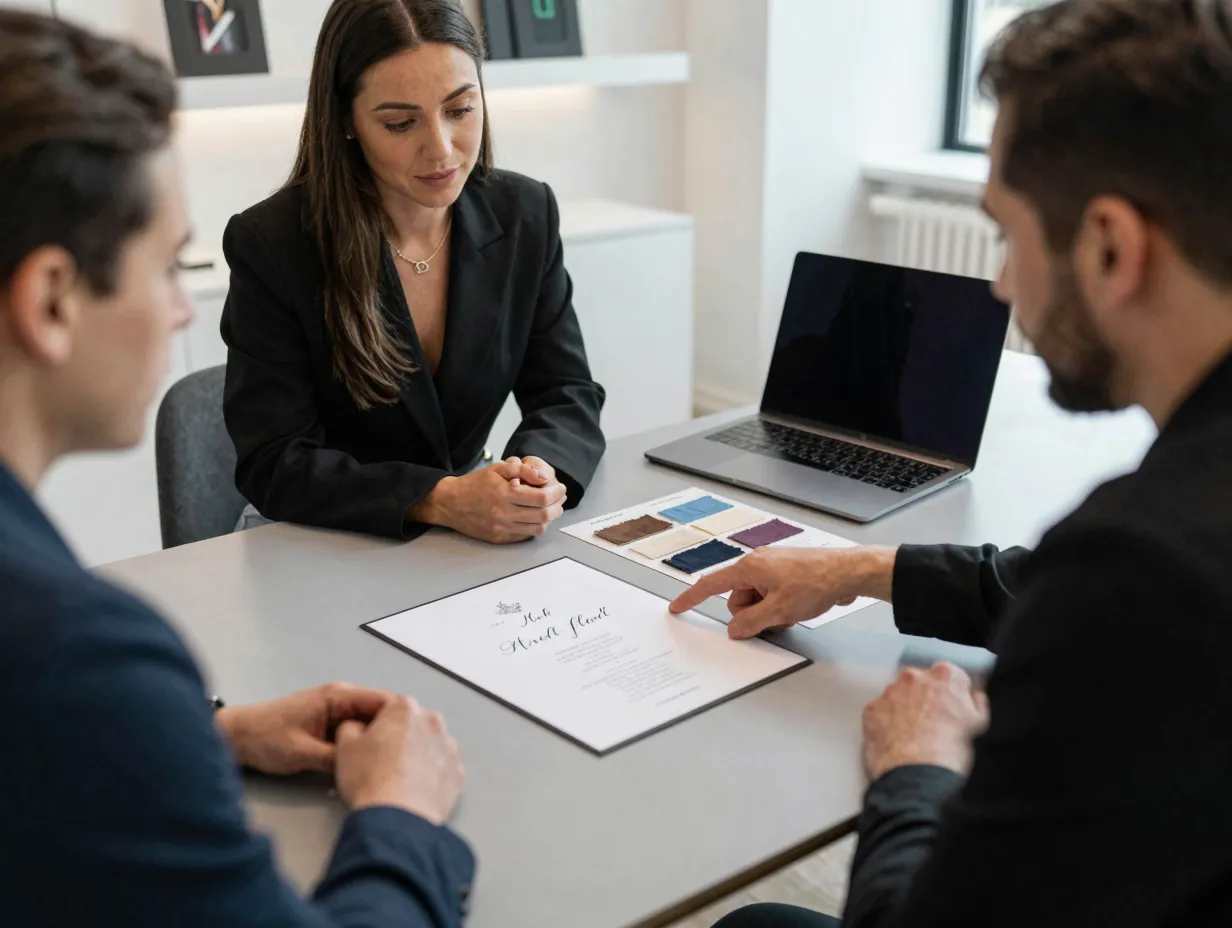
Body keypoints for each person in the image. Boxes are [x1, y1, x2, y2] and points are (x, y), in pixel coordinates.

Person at [677, 1, 1232, 925]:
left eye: (1007, 234)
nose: (1003, 283)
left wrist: (916, 767)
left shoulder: (1139, 569)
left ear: (1109, 245)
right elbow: (1049, 585)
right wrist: (854, 569)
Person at [0, 10, 474, 926]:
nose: (184, 312)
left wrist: (202, 735)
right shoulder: (80, 657)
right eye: (168, 266)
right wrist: (401, 816)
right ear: (52, 300)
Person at [221, 0, 606, 543]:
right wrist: (441, 499)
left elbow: (566, 390)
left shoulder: (525, 212)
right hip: (325, 537)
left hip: (470, 534)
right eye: (400, 123)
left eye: (460, 109)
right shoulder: (273, 243)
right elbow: (274, 460)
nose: (442, 149)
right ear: (346, 121)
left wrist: (535, 476)